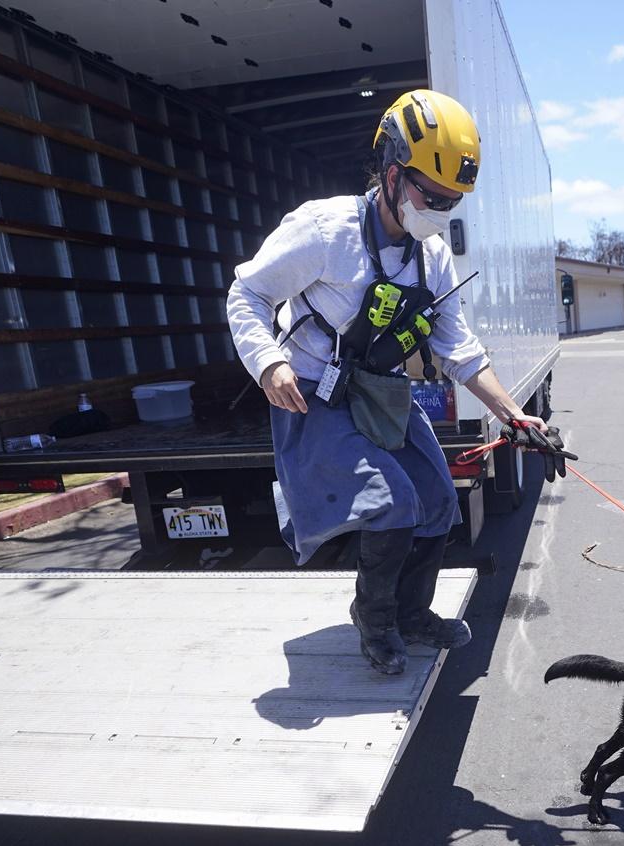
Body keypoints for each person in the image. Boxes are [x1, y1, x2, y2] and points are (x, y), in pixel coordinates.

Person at [227, 90, 545, 675]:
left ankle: (411, 612)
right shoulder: (324, 230)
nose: (442, 209)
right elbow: (246, 293)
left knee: (437, 499)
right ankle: (374, 621)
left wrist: (514, 415)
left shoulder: (432, 254)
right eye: (434, 195)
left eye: (453, 201)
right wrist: (268, 363)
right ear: (394, 174)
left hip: (381, 392)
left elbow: (459, 348)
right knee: (393, 504)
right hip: (314, 395)